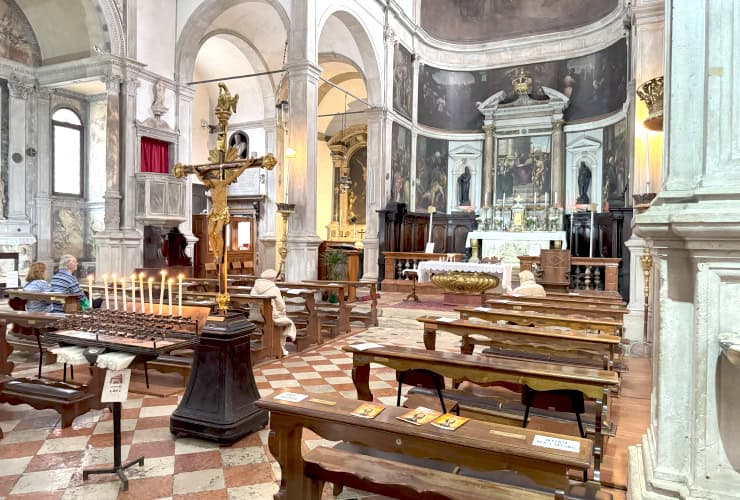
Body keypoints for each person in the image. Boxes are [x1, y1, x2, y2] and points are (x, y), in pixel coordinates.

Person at [250, 269, 296, 355]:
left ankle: (269, 343)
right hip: (271, 317)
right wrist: (282, 312)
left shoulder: (254, 288)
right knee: (288, 322)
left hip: (255, 316)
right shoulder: (274, 289)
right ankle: (280, 347)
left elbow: (250, 302)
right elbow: (281, 306)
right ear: (272, 279)